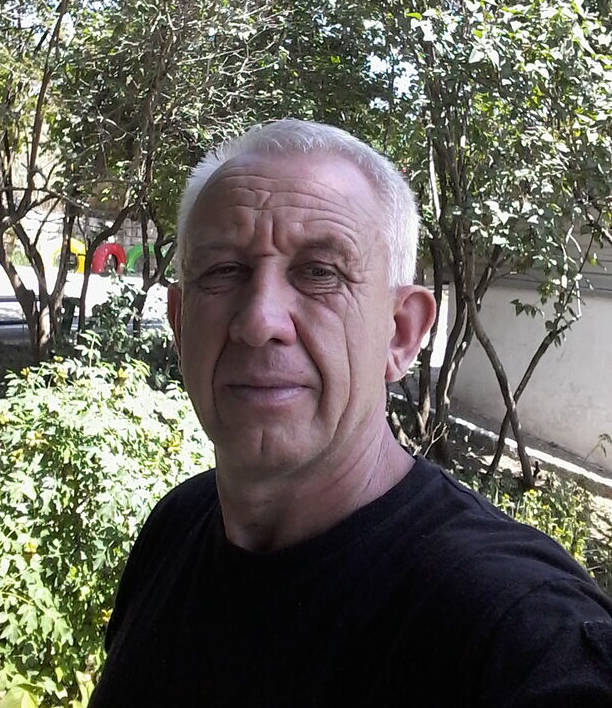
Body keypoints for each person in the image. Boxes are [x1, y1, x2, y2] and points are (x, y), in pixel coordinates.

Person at [89, 119, 612, 707]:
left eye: (320, 273)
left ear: (400, 334)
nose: (259, 321)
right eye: (224, 271)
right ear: (180, 323)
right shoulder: (177, 526)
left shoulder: (515, 631)